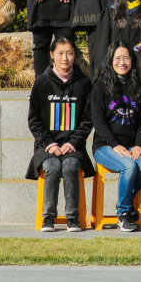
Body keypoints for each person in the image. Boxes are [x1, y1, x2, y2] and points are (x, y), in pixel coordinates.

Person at [27, 36, 94, 232]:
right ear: (52, 55)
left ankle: (73, 217)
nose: (65, 58)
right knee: (53, 166)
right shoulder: (41, 82)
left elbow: (87, 120)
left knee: (71, 166)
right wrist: (49, 144)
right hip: (47, 146)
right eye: (60, 53)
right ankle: (48, 217)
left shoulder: (84, 83)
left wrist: (73, 143)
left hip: (73, 146)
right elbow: (34, 120)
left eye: (70, 53)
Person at [90, 43, 141, 232]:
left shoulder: (138, 85)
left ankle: (124, 202)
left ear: (132, 61)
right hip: (106, 146)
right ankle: (124, 213)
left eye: (126, 58)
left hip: (132, 145)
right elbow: (98, 121)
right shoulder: (101, 86)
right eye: (117, 58)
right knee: (129, 165)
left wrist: (140, 144)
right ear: (110, 60)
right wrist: (115, 145)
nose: (122, 62)